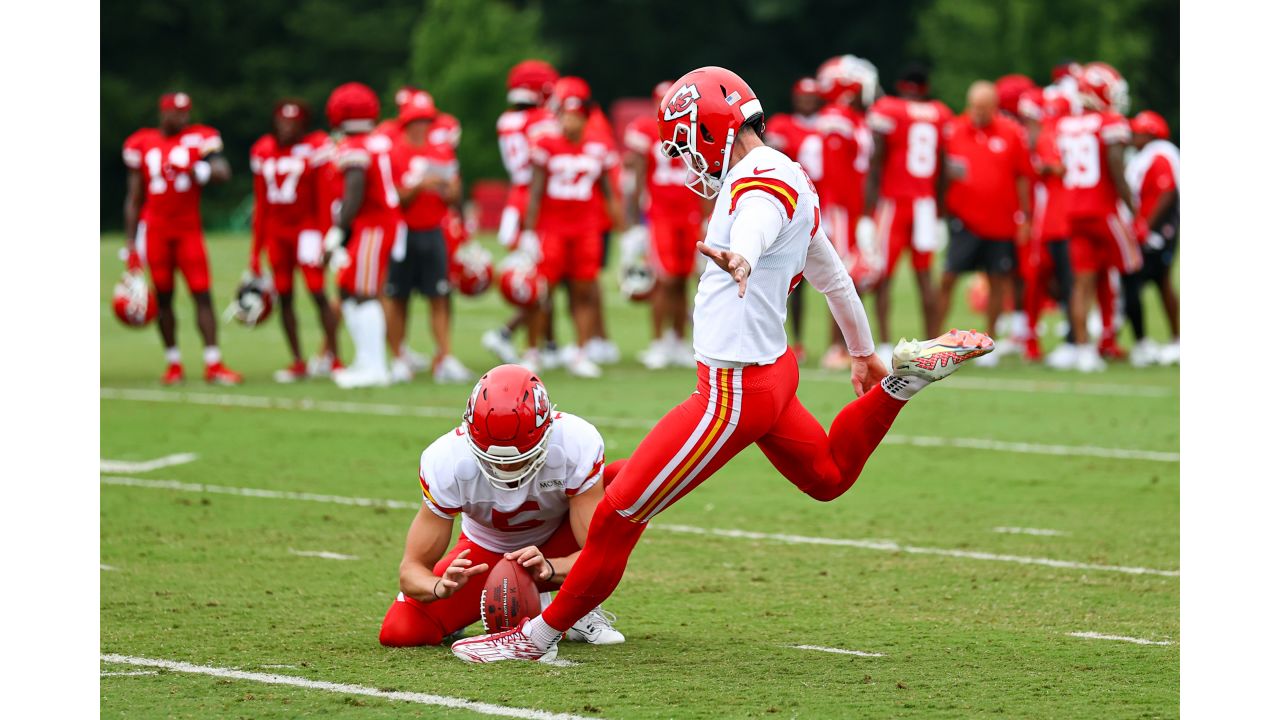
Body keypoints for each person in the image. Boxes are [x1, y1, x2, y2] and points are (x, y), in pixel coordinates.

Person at [450, 66, 993, 663]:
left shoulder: (758, 184)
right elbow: (832, 273)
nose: (686, 156)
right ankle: (901, 384)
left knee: (616, 514)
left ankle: (535, 639)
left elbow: (759, 218)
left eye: (685, 141)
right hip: (774, 373)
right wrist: (863, 352)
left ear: (710, 128)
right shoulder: (790, 172)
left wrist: (745, 252)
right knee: (830, 476)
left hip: (731, 392)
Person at [378, 364, 624, 649]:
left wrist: (550, 565)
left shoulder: (574, 442)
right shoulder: (446, 459)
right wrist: (439, 586)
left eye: (521, 458)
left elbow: (596, 553)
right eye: (492, 458)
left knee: (626, 480)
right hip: (486, 556)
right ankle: (511, 605)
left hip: (559, 543)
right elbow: (411, 569)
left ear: (548, 430)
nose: (506, 467)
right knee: (401, 630)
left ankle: (578, 607)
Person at [122, 92, 241, 385]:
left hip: (188, 229)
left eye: (185, 112)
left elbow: (223, 172)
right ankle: (173, 363)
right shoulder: (143, 142)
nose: (181, 118)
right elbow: (134, 198)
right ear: (163, 113)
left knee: (202, 293)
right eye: (176, 113)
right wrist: (130, 246)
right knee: (163, 297)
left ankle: (213, 362)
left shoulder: (199, 139)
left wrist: (197, 168)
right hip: (156, 230)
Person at [519, 77, 623, 378]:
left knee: (584, 292)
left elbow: (608, 192)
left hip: (586, 229)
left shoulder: (598, 146)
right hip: (551, 228)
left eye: (576, 116)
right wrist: (528, 232)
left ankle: (580, 351)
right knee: (540, 291)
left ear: (585, 118)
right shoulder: (546, 144)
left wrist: (623, 231)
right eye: (566, 115)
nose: (570, 121)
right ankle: (532, 350)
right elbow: (535, 191)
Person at [937, 81, 1034, 366]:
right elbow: (941, 175)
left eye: (984, 108)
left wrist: (1026, 216)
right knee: (948, 278)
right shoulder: (953, 130)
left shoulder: (1012, 132)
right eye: (974, 107)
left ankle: (987, 343)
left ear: (995, 107)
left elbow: (1022, 177)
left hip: (1001, 223)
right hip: (963, 221)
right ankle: (935, 341)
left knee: (998, 281)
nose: (977, 113)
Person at [861, 64, 953, 360]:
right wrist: (939, 211)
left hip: (895, 201)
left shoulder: (889, 109)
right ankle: (930, 345)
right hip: (925, 204)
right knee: (926, 276)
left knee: (884, 275)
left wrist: (867, 210)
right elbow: (944, 168)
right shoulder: (940, 113)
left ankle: (886, 343)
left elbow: (876, 160)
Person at [1053, 62, 1139, 372]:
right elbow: (1115, 163)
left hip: (1073, 209)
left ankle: (1084, 350)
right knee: (1133, 269)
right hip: (1103, 208)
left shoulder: (1065, 124)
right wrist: (1132, 204)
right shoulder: (1110, 121)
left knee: (1082, 283)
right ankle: (1132, 341)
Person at [248, 100, 342, 382]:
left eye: (293, 122)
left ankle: (333, 357)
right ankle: (297, 360)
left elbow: (323, 196)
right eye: (282, 121)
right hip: (277, 232)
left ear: (302, 125)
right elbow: (261, 203)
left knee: (317, 292)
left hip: (307, 230)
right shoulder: (263, 150)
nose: (287, 127)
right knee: (284, 296)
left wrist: (327, 236)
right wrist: (255, 251)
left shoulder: (314, 147)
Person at [385, 91, 474, 385]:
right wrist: (421, 184)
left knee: (439, 296)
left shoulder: (441, 151)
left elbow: (456, 193)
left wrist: (447, 189)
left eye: (426, 120)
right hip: (403, 231)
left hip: (433, 230)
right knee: (398, 297)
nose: (422, 125)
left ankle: (444, 357)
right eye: (416, 120)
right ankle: (398, 357)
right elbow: (394, 197)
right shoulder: (394, 152)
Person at [321, 82, 404, 388]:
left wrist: (337, 231)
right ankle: (366, 360)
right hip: (380, 223)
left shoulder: (355, 148)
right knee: (348, 288)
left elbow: (354, 194)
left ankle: (375, 367)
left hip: (373, 225)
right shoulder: (378, 141)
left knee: (363, 293)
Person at [484, 60, 562, 367]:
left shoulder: (506, 120)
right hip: (535, 202)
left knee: (541, 279)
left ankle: (549, 345)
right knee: (538, 282)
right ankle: (510, 336)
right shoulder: (543, 120)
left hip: (515, 199)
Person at [624, 80, 704, 369]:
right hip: (660, 214)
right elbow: (635, 176)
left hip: (689, 212)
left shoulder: (696, 130)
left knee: (684, 280)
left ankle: (678, 340)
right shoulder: (646, 131)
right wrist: (632, 222)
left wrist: (707, 216)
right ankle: (658, 343)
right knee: (663, 279)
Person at [815, 55, 879, 370]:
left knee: (855, 276)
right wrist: (849, 216)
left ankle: (854, 345)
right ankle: (836, 347)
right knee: (841, 275)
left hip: (852, 210)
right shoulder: (836, 118)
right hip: (840, 209)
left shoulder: (852, 118)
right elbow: (838, 175)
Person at [764, 77, 825, 363]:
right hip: (794, 208)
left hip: (826, 207)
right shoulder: (782, 125)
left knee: (835, 277)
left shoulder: (831, 124)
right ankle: (794, 340)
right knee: (791, 278)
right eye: (803, 96)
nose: (807, 101)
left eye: (811, 97)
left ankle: (838, 345)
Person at [1017, 88, 1076, 364]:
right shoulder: (1045, 136)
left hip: (1053, 220)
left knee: (1051, 279)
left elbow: (1054, 167)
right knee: (1044, 279)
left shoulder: (1048, 135)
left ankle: (1074, 337)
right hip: (1052, 218)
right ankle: (1031, 336)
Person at [1123, 110, 1179, 366]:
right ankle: (1167, 340)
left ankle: (1166, 340)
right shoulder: (1148, 154)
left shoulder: (1159, 154)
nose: (1133, 136)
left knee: (1144, 283)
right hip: (1149, 232)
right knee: (1158, 283)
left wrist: (1147, 227)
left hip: (1157, 233)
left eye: (1138, 132)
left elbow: (1166, 192)